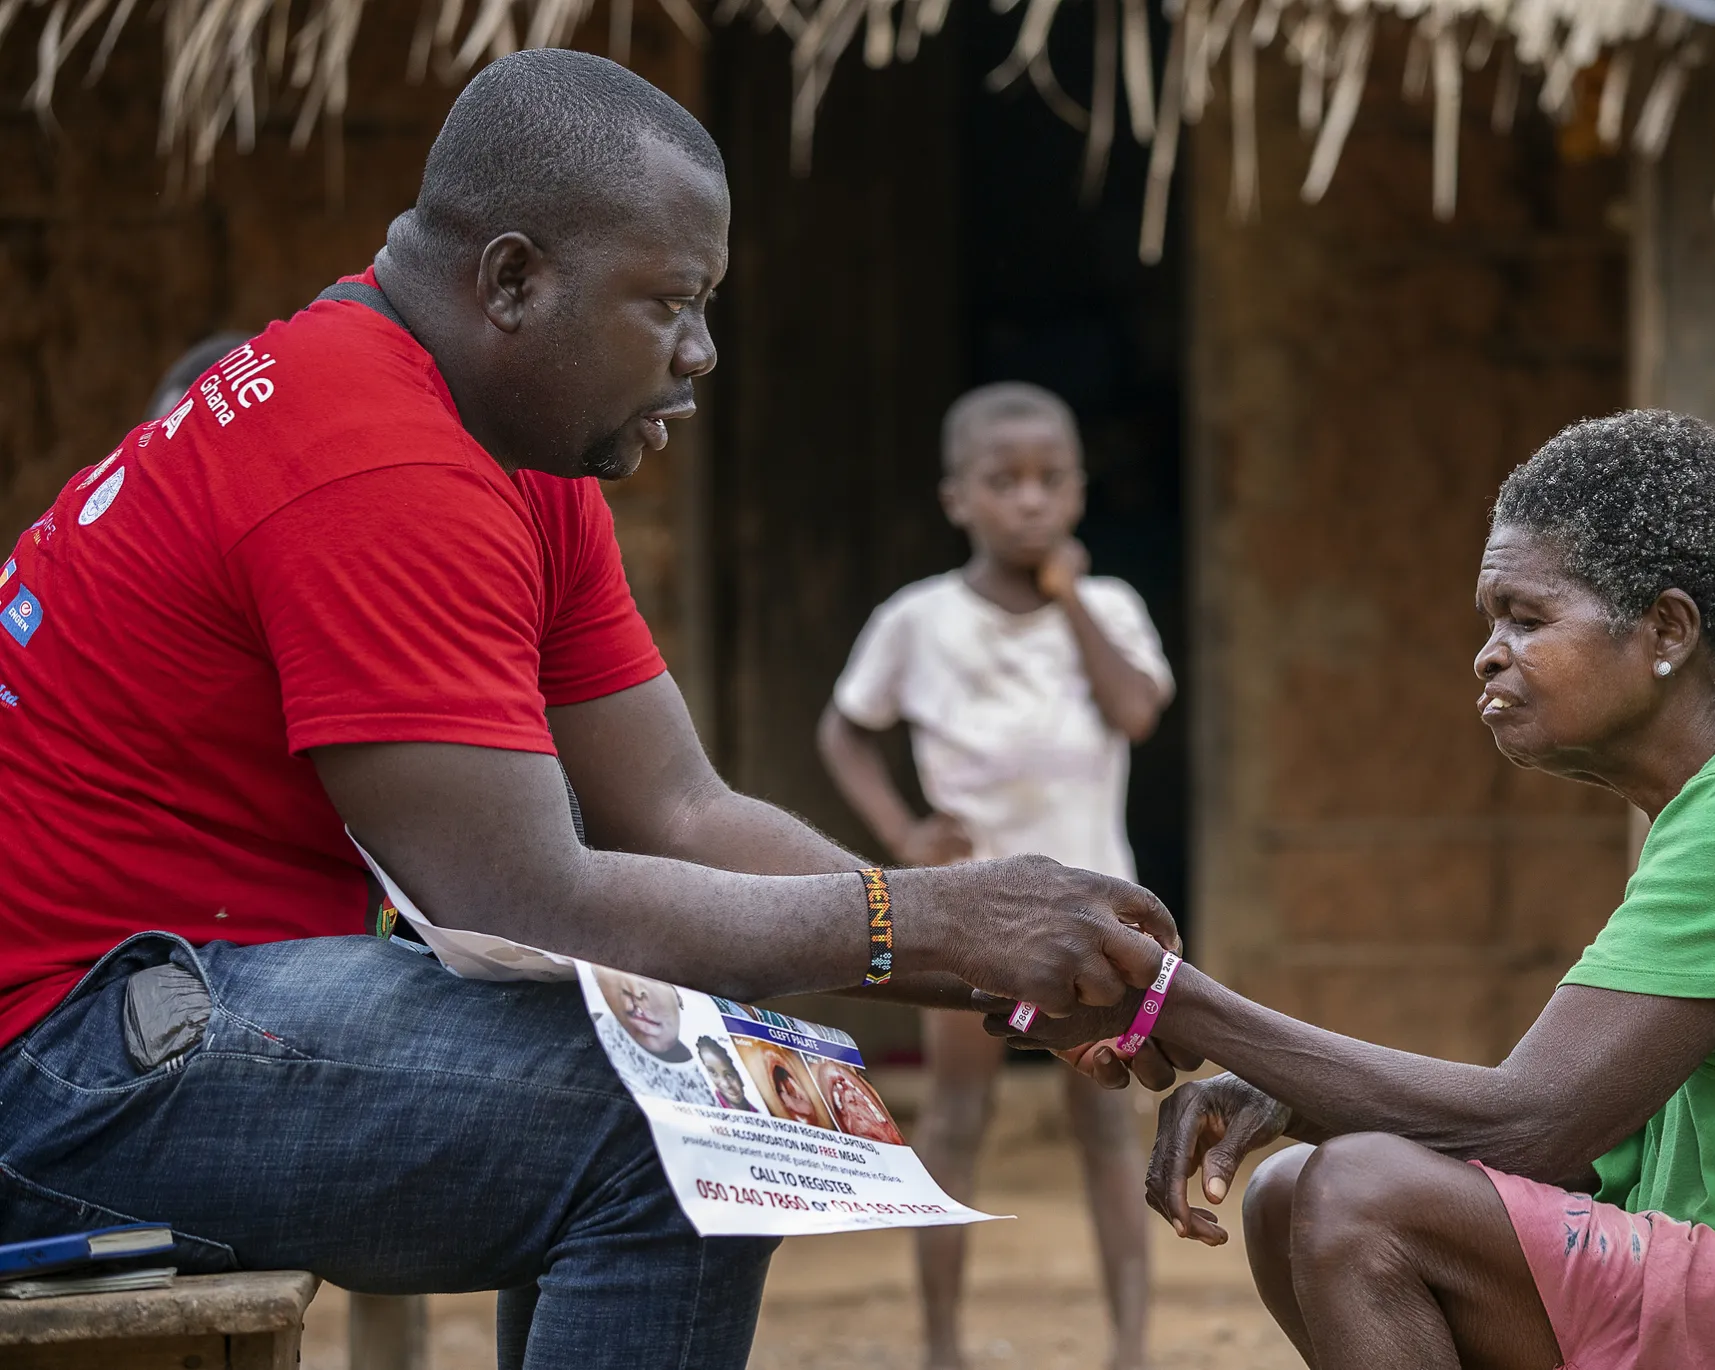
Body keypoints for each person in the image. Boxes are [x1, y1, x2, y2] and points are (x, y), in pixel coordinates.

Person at [0, 50, 1183, 1370]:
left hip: (161, 1001)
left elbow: (682, 810)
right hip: (56, 1060)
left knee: (723, 1081)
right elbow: (521, 898)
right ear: (512, 280)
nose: (702, 352)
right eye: (671, 303)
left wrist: (986, 957)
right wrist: (939, 918)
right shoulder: (377, 456)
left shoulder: (497, 434)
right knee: (697, 1125)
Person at [996, 412, 1715, 1370]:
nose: (1486, 656)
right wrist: (1292, 1088)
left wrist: (1166, 995)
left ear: (1667, 631)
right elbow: (1585, 1155)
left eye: (1524, 616)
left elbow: (1531, 1123)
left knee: (1361, 1197)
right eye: (1487, 620)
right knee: (1286, 1192)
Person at [818, 382, 1173, 1370]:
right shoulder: (919, 619)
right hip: (967, 916)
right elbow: (844, 726)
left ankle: (1131, 1346)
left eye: (1050, 479)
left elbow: (1135, 710)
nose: (1028, 500)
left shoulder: (1106, 606)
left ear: (1079, 490)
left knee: (1106, 1125)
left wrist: (1068, 595)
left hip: (1096, 917)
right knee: (959, 1115)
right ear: (955, 498)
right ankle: (940, 1345)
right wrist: (900, 833)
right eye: (1001, 481)